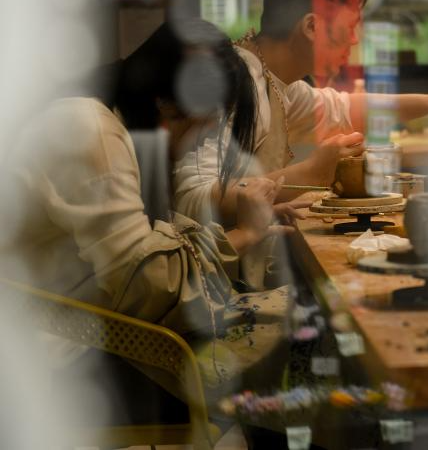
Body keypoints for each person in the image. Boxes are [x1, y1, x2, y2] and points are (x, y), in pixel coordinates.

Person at [2, 20, 294, 401]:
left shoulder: (112, 126)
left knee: (290, 317)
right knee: (300, 334)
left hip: (93, 333)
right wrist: (246, 233)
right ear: (166, 106)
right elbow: (147, 284)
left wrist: (247, 230)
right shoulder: (91, 131)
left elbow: (147, 257)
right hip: (67, 361)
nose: (197, 145)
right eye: (203, 129)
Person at [174, 0, 428, 230]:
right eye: (350, 27)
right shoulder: (235, 82)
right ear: (312, 27)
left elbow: (344, 108)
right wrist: (313, 172)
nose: (354, 40)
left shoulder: (275, 81)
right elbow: (191, 201)